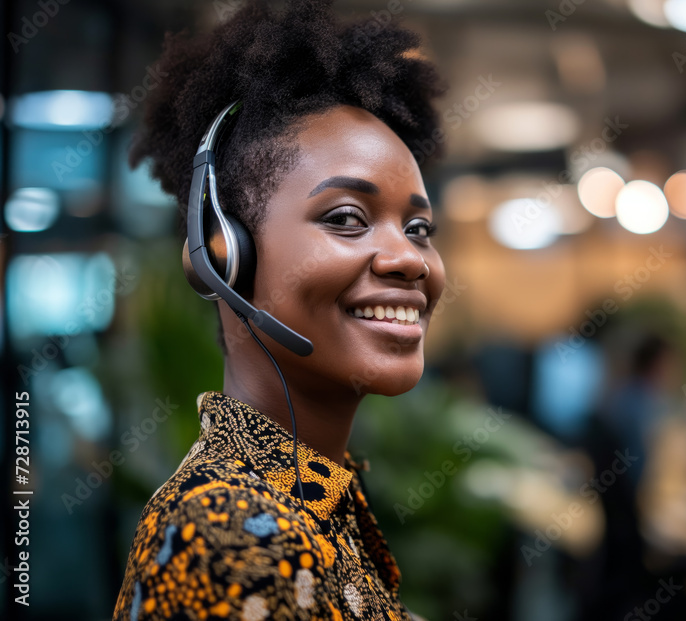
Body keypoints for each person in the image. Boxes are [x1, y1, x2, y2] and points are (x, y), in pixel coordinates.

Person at [112, 1, 447, 619]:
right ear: (225, 254)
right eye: (347, 218)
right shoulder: (229, 536)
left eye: (420, 227)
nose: (411, 259)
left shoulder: (305, 501)